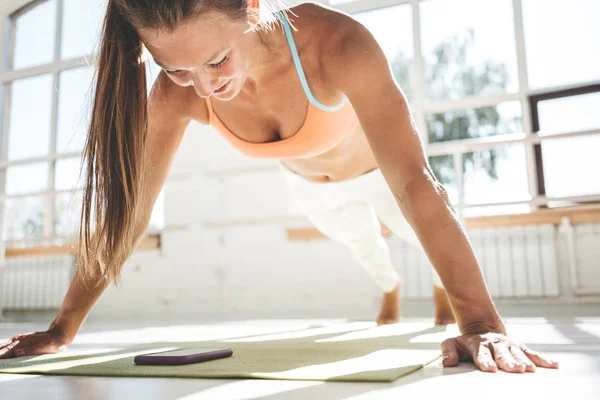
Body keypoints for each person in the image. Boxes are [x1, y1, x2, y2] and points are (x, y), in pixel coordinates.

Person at [0, 0, 559, 373]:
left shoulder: (336, 45)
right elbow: (133, 208)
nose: (205, 86)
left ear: (251, 6)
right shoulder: (177, 96)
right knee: (370, 256)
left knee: (418, 241)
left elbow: (415, 179)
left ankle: (441, 293)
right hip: (312, 185)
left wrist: (480, 324)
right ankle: (393, 288)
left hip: (379, 179)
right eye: (176, 69)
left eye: (217, 59)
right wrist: (62, 326)